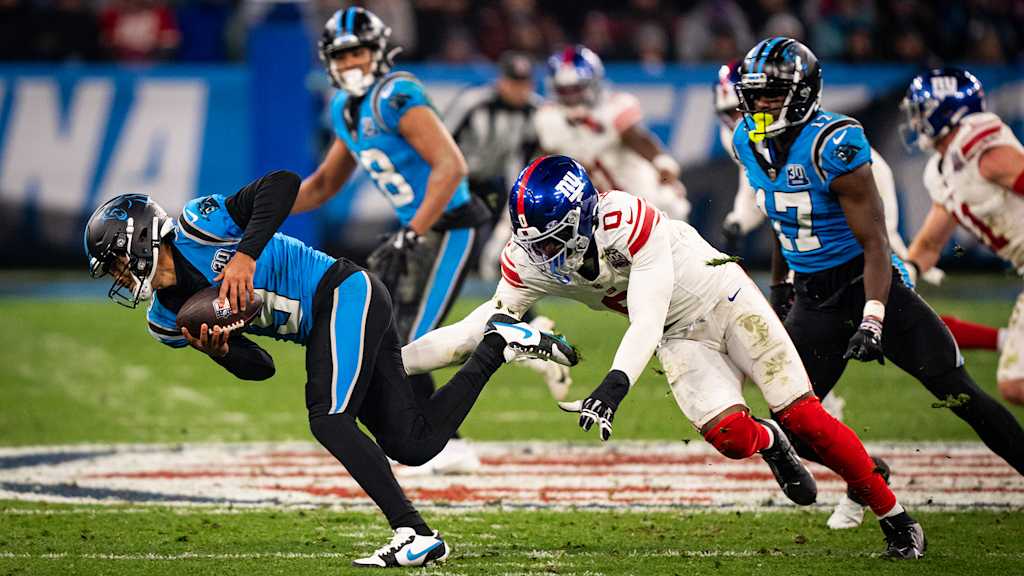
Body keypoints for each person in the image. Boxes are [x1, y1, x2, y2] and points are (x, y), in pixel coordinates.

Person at [401, 155, 926, 559]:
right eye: (534, 243)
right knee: (732, 438)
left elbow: (645, 318)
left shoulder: (625, 219)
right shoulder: (531, 256)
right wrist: (395, 363)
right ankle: (771, 441)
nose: (543, 256)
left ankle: (895, 515)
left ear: (584, 216)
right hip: (679, 335)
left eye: (555, 239)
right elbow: (477, 331)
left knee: (802, 411)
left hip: (725, 300)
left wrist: (613, 386)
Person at [82, 173, 576, 568]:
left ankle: (416, 534)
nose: (122, 276)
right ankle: (500, 344)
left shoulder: (200, 226)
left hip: (343, 291)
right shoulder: (167, 319)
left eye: (120, 262)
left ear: (142, 238)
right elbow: (263, 368)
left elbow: (282, 184)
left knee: (328, 417)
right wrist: (222, 351)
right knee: (413, 443)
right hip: (329, 322)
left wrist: (246, 256)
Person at [730, 38, 1024, 522]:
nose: (757, 106)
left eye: (770, 94)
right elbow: (786, 224)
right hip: (814, 300)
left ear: (802, 93)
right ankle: (869, 472)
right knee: (792, 426)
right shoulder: (748, 141)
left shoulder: (834, 143)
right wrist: (781, 291)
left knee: (961, 395)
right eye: (754, 95)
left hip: (866, 285)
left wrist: (872, 318)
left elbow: (875, 243)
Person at [291, 6, 491, 474]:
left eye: (358, 51)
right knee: (388, 334)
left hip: (449, 227)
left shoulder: (397, 94)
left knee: (413, 336)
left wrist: (413, 231)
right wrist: (255, 210)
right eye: (341, 56)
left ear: (377, 50)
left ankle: (451, 440)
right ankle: (431, 435)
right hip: (416, 234)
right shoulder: (344, 108)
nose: (351, 63)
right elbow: (322, 186)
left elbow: (451, 167)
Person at [443, 50, 571, 401]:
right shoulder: (474, 104)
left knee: (503, 256)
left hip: (498, 188)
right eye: (513, 81)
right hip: (456, 185)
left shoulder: (536, 111)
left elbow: (541, 153)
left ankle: (526, 328)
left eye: (524, 82)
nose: (518, 89)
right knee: (469, 260)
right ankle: (520, 329)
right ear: (500, 80)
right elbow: (440, 142)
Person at [901, 67, 1024, 406]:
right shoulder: (942, 170)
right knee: (1015, 383)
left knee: (1016, 383)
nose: (915, 120)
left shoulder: (979, 145)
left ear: (946, 110)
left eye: (921, 110)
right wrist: (902, 278)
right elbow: (928, 244)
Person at [533, 45, 691, 222]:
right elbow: (544, 159)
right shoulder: (548, 119)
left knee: (671, 207)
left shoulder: (613, 107)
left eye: (577, 89)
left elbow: (636, 137)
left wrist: (660, 161)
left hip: (642, 197)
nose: (571, 97)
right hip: (598, 210)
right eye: (564, 90)